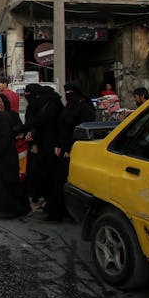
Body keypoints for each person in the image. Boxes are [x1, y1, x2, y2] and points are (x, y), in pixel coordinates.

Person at [47, 81, 95, 222]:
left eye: (70, 92)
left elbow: (83, 132)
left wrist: (69, 148)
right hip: (62, 151)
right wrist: (58, 144)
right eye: (66, 92)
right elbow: (61, 127)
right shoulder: (69, 107)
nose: (68, 95)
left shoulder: (85, 108)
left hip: (75, 152)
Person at [22, 84, 63, 211]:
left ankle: (45, 200)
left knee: (42, 173)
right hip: (41, 144)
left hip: (47, 146)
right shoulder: (46, 104)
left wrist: (33, 140)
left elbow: (39, 124)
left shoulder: (47, 106)